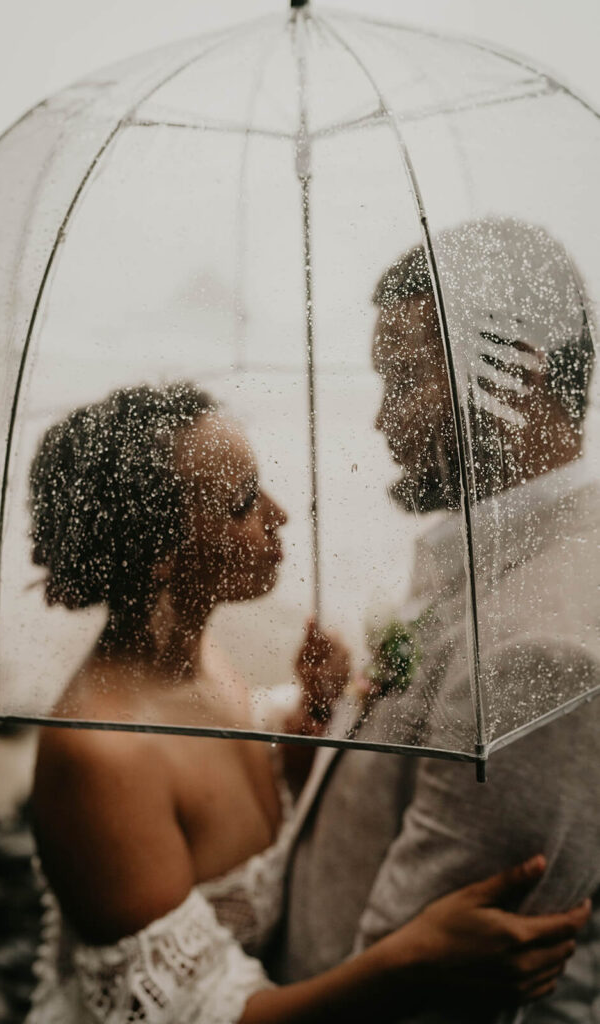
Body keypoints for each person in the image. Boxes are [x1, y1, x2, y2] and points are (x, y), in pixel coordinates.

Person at [25, 381, 587, 1023]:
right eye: (241, 503)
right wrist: (412, 960)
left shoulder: (200, 662)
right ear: (161, 554)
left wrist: (307, 726)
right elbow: (199, 1014)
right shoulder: (100, 756)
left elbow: (232, 827)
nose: (280, 513)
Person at [278, 219, 600, 1022]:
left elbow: (420, 999)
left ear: (513, 376)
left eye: (405, 377)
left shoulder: (540, 645)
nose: (383, 422)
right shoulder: (487, 568)